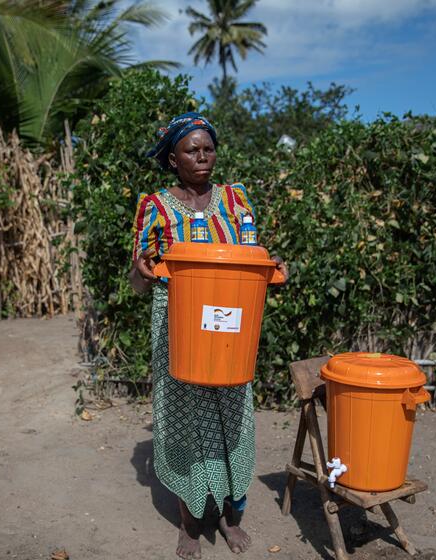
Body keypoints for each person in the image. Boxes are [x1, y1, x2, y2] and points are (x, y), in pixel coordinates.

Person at [130, 112, 288, 559]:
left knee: (230, 417)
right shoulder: (156, 207)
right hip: (177, 324)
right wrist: (142, 270)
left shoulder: (235, 200)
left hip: (229, 323)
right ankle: (190, 523)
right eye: (191, 150)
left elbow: (254, 256)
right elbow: (138, 280)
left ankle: (225, 514)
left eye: (208, 148)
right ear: (173, 159)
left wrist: (273, 268)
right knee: (185, 424)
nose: (202, 156)